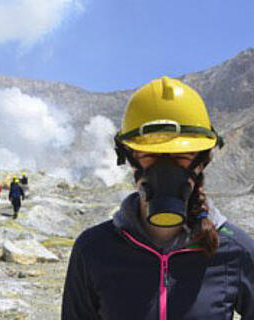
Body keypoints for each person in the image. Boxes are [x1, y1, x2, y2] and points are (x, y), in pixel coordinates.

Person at [62, 77, 254, 319]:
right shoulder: (93, 250)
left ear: (201, 162)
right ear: (129, 158)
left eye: (182, 154)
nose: (165, 167)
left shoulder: (235, 250)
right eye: (150, 153)